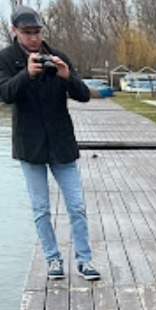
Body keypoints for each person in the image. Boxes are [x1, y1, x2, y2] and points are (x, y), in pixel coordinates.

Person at [0, 5, 100, 281]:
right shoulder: (6, 59)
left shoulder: (57, 57)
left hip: (61, 143)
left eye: (37, 32)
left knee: (77, 205)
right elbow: (5, 94)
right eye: (27, 33)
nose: (34, 38)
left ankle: (84, 259)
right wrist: (27, 74)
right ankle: (53, 259)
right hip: (30, 145)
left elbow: (83, 95)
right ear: (15, 32)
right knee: (41, 208)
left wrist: (67, 75)